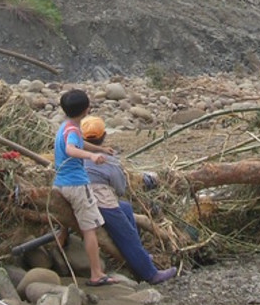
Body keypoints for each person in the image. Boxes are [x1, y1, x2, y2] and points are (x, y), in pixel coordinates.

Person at [81, 115, 177, 285]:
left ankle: (139, 254)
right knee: (127, 234)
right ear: (103, 137)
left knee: (125, 208)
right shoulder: (108, 161)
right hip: (100, 202)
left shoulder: (78, 154)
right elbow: (119, 188)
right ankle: (150, 274)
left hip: (83, 197)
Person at [52, 89, 117, 287]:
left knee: (66, 220)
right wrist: (91, 157)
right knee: (90, 228)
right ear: (86, 110)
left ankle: (59, 247)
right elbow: (72, 149)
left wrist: (100, 149)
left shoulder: (65, 126)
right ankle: (96, 274)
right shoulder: (72, 131)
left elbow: (78, 144)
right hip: (77, 184)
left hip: (60, 184)